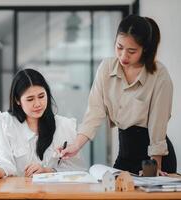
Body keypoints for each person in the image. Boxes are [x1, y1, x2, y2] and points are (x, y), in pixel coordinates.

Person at [59, 15, 177, 175]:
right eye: (119, 47)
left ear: (145, 49)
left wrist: (154, 168)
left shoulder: (158, 74)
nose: (123, 56)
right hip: (125, 155)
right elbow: (94, 113)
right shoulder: (106, 68)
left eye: (132, 51)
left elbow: (158, 124)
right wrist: (75, 146)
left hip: (153, 158)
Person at [0, 68, 85, 179]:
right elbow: (2, 159)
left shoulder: (64, 125)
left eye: (41, 96)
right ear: (17, 100)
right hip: (18, 194)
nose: (38, 104)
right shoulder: (7, 123)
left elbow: (78, 169)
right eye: (30, 99)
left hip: (54, 194)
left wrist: (48, 171)